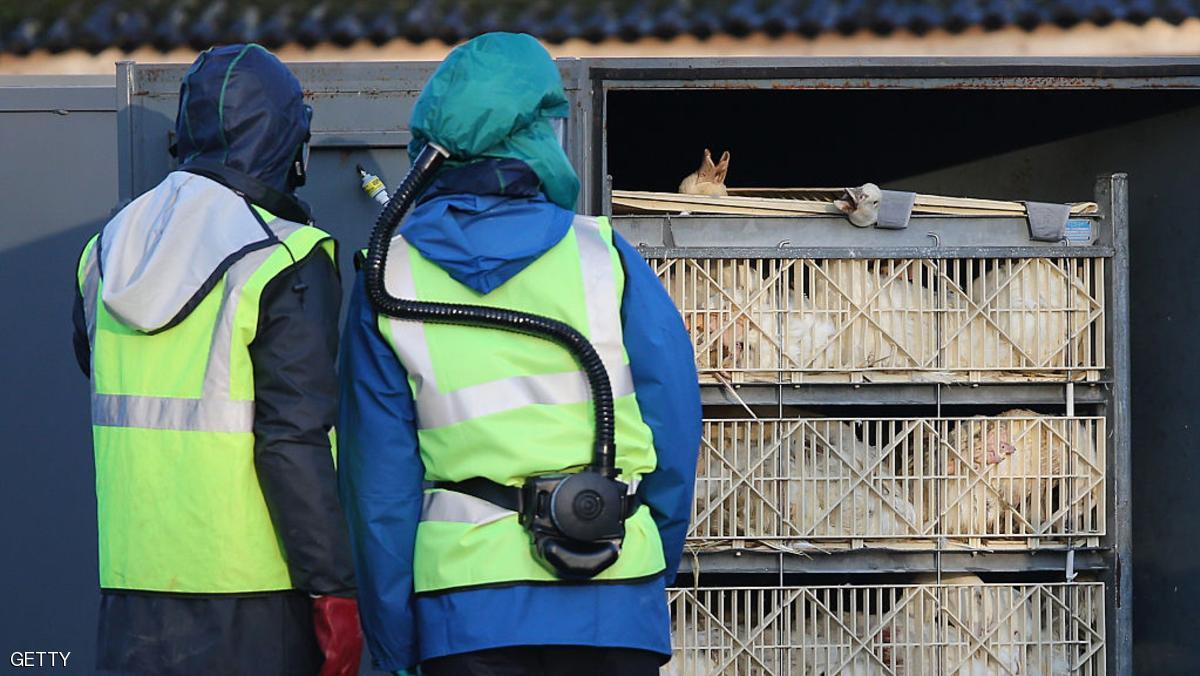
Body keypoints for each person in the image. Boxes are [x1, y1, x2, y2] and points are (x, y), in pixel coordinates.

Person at [338, 33, 702, 675]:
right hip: (612, 599)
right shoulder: (605, 257)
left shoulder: (388, 279)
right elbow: (676, 429)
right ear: (538, 135)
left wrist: (395, 643)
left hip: (468, 614)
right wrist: (648, 562)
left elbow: (378, 487)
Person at [72, 44, 362, 676]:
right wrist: (334, 587)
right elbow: (293, 438)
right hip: (253, 597)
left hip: (131, 588)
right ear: (290, 142)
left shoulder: (107, 250)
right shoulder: (286, 256)